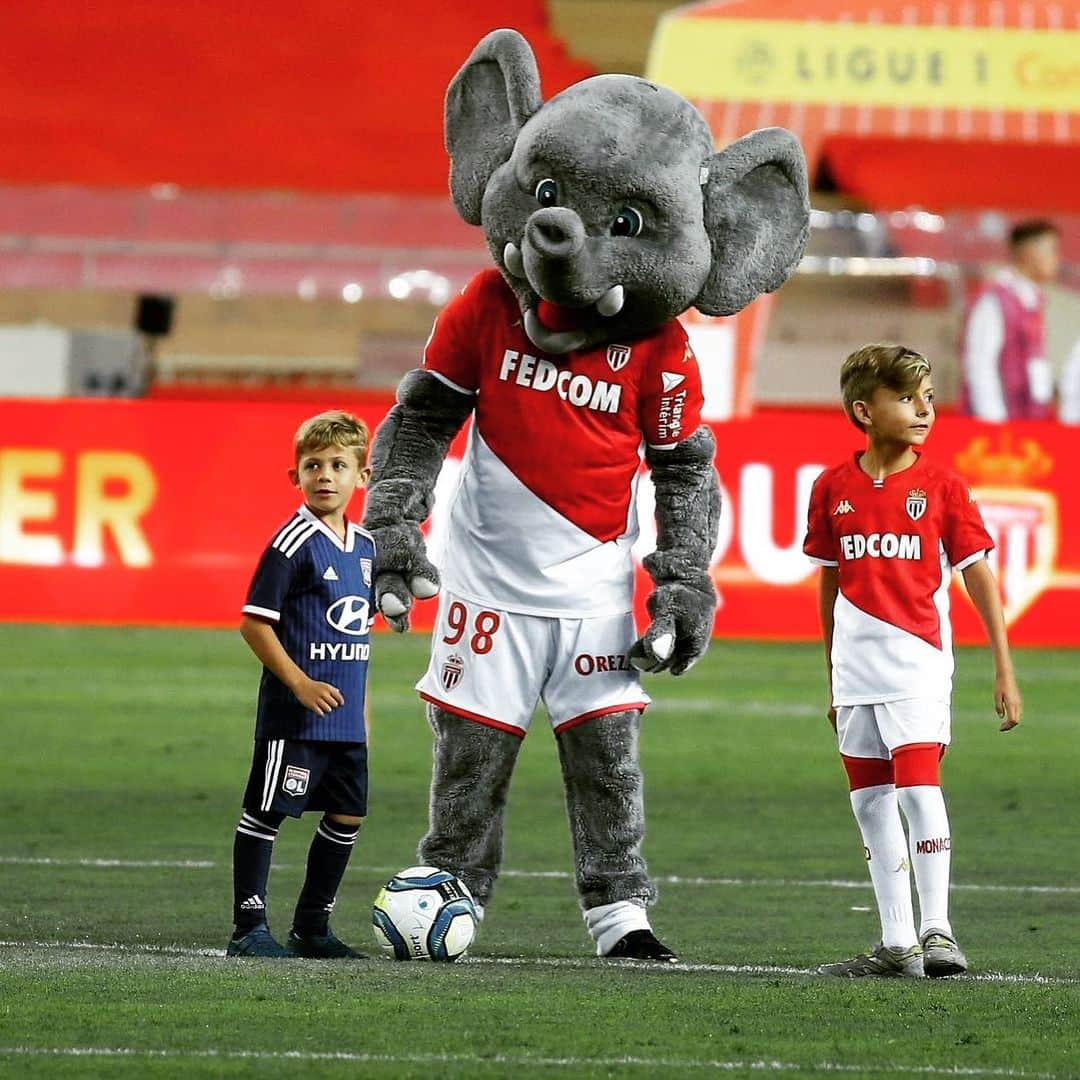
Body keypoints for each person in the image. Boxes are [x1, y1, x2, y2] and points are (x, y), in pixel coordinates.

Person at [803, 344, 1022, 978]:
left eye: (927, 397)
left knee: (921, 791)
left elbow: (978, 577)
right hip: (854, 671)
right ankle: (897, 943)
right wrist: (831, 676)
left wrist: (1003, 667)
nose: (924, 409)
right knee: (869, 802)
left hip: (918, 663)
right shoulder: (831, 488)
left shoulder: (945, 487)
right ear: (863, 410)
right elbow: (829, 583)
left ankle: (939, 932)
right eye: (906, 397)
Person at [227, 410, 375, 958]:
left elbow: (358, 639)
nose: (325, 476)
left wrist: (362, 714)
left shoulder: (364, 548)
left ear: (362, 476)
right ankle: (248, 928)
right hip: (297, 717)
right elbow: (254, 622)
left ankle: (312, 927)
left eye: (339, 464)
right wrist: (300, 684)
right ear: (295, 476)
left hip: (345, 721)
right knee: (267, 813)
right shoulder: (291, 543)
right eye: (313, 465)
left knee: (348, 814)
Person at [959, 219, 1059, 422]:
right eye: (1052, 251)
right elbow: (980, 364)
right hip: (1001, 423)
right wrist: (993, 421)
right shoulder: (995, 300)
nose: (1057, 259)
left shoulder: (1032, 301)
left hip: (1029, 418)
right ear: (1029, 253)